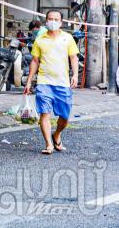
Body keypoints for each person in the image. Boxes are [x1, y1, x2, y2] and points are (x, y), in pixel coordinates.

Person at [24, 10, 79, 155]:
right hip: (44, 82)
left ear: (61, 22)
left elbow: (73, 57)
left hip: (63, 83)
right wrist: (29, 82)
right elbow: (35, 61)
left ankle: (57, 134)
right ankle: (49, 144)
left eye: (56, 19)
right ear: (46, 21)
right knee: (45, 113)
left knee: (65, 117)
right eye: (50, 19)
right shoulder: (40, 39)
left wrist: (75, 75)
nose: (53, 21)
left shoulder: (68, 38)